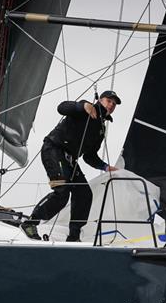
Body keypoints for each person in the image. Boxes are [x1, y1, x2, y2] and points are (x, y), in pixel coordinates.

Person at [21, 90, 122, 242]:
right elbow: (61, 107)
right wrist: (83, 106)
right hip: (54, 149)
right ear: (100, 100)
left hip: (70, 160)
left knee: (84, 194)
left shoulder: (100, 130)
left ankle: (74, 236)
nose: (112, 105)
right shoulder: (85, 108)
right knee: (62, 191)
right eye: (109, 101)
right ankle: (30, 223)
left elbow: (89, 156)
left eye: (114, 104)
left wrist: (106, 167)